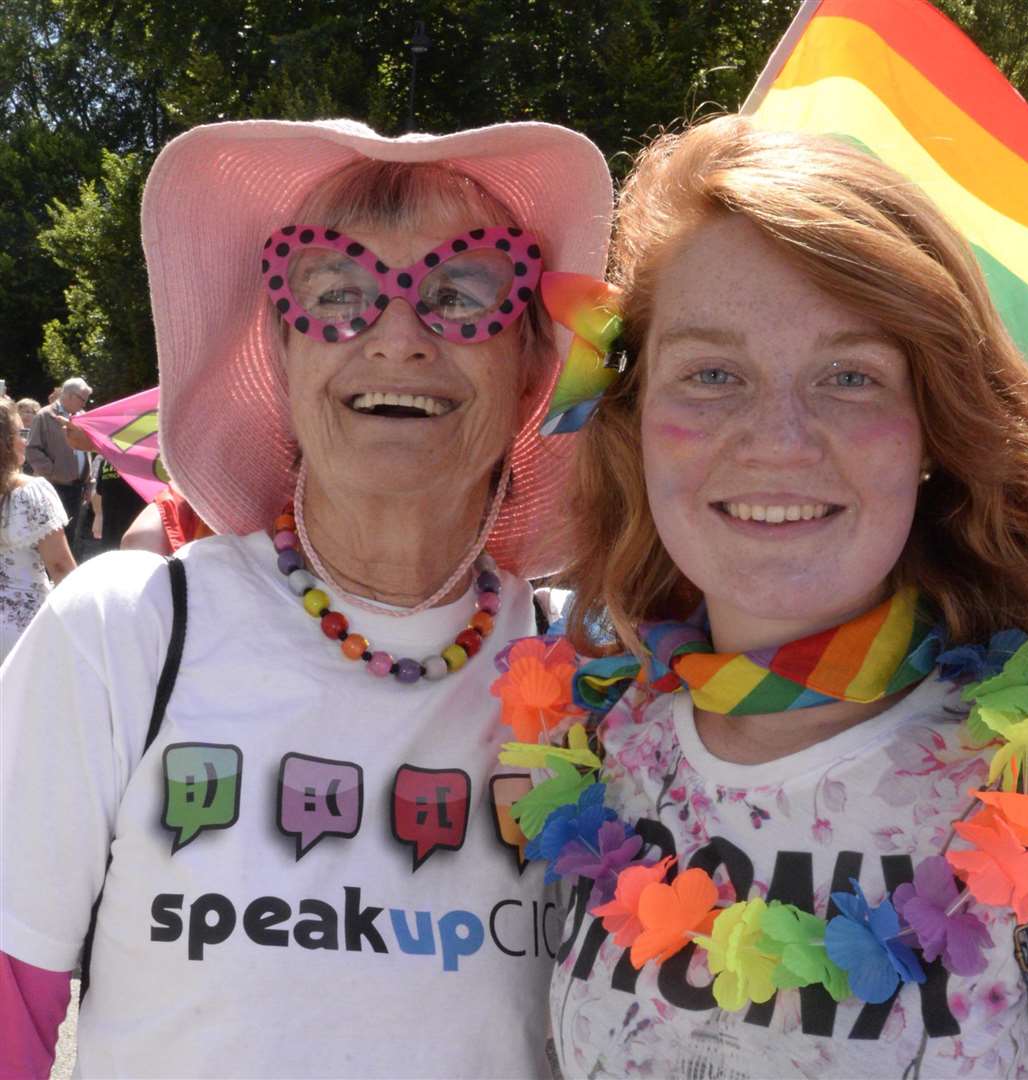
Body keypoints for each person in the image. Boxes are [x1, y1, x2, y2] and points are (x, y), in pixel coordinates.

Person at [512, 119, 1028, 1079]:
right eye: (713, 374)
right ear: (634, 420)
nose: (779, 439)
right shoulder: (594, 739)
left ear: (934, 429)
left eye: (849, 376)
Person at [0, 118, 612, 1077]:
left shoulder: (596, 680)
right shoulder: (123, 634)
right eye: (339, 295)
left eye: (462, 294)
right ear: (283, 359)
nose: (398, 337)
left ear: (532, 366)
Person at [0, 398, 76, 663]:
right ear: (5, 442)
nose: (25, 441)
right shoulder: (31, 491)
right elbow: (61, 567)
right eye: (20, 433)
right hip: (22, 632)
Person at [24, 376, 93, 543]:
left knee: (71, 535)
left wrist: (88, 480)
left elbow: (86, 449)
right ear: (69, 395)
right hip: (55, 486)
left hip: (78, 487)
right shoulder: (45, 415)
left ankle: (67, 569)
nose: (84, 404)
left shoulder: (82, 416)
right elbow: (32, 449)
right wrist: (53, 472)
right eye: (82, 399)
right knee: (54, 536)